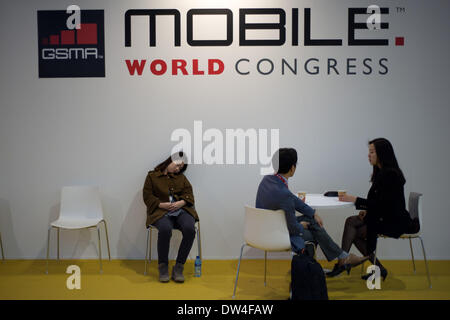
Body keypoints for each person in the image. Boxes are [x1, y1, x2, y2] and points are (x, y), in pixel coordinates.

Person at [255, 148, 367, 270]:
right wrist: (301, 226)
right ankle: (317, 268)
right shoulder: (283, 193)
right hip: (277, 232)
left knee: (312, 222)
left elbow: (293, 199)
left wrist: (313, 213)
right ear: (292, 168)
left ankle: (337, 259)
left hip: (265, 228)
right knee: (311, 233)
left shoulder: (267, 180)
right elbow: (292, 227)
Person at [333, 138, 420, 280]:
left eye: (372, 152)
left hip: (395, 222)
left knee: (353, 228)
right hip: (386, 217)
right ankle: (349, 263)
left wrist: (355, 200)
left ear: (382, 154)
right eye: (369, 152)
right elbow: (381, 203)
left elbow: (384, 206)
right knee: (352, 224)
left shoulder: (390, 174)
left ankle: (343, 262)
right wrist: (367, 211)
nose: (369, 155)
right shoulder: (382, 172)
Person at [142, 151, 199, 283]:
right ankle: (163, 266)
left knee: (190, 229)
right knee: (165, 229)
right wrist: (161, 204)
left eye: (181, 167)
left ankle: (179, 267)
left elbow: (189, 194)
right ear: (170, 160)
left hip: (182, 211)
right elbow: (147, 196)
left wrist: (181, 202)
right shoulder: (152, 176)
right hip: (160, 212)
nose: (178, 169)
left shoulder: (182, 178)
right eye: (177, 165)